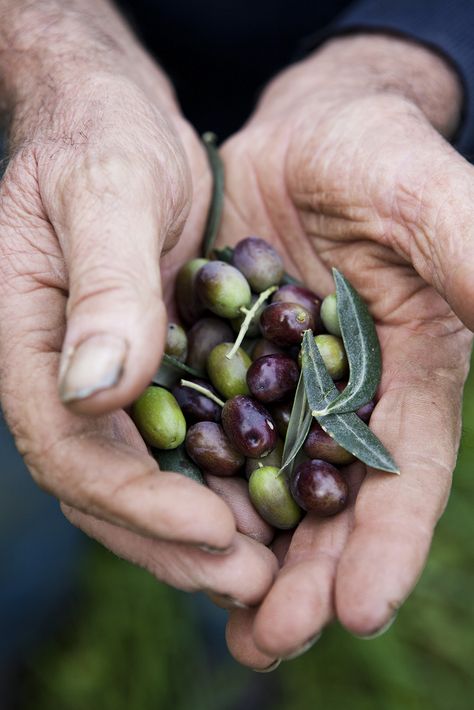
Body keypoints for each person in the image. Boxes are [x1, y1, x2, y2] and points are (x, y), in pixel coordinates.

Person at [0, 0, 473, 672]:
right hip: (89, 126)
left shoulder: (263, 380)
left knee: (229, 553)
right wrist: (51, 49)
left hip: (324, 94)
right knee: (49, 431)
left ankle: (217, 662)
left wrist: (408, 55)